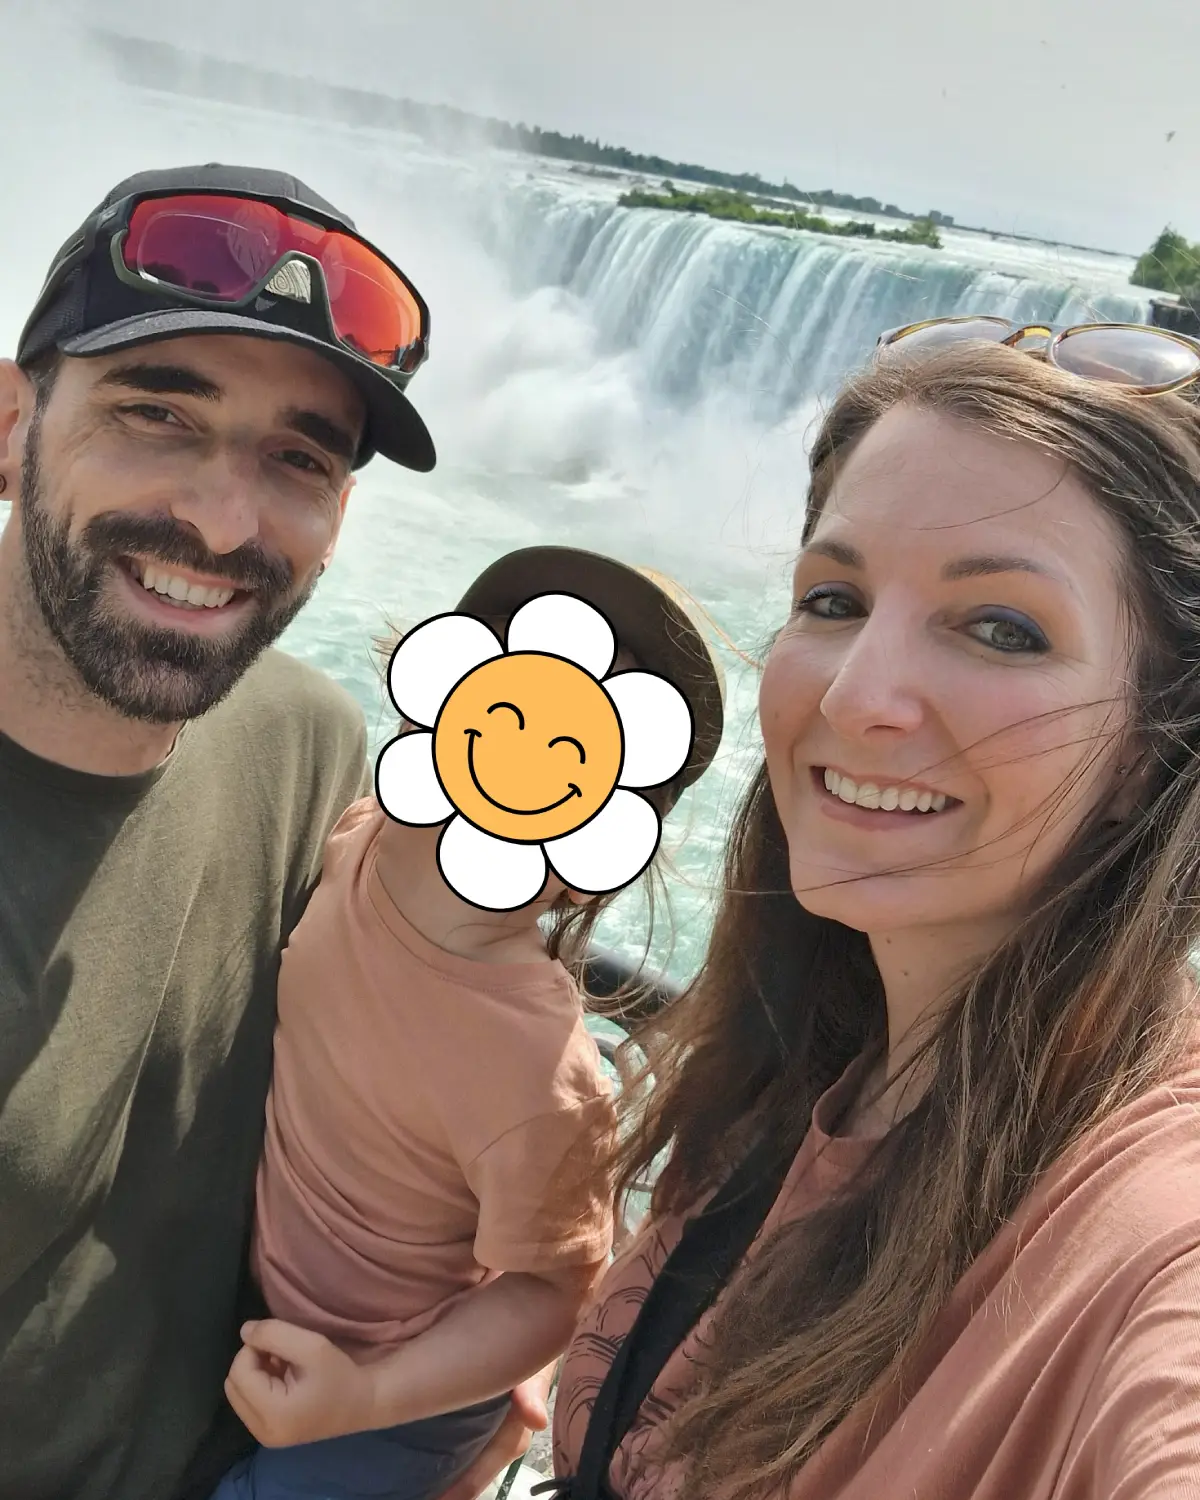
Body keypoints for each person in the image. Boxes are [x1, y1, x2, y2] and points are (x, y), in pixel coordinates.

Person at [514, 320, 1200, 1500]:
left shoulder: (1147, 1235)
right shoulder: (802, 1054)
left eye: (1000, 628)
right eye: (833, 599)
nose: (857, 691)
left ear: (1151, 745)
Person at [0, 161, 439, 1500]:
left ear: (340, 514)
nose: (222, 519)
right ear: (9, 420)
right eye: (154, 415)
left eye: (296, 459)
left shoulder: (305, 741)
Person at [205, 545, 725, 1500]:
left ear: (595, 849)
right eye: (501, 713)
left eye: (565, 763)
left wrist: (364, 1398)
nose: (516, 761)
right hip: (268, 1299)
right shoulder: (359, 837)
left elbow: (551, 1292)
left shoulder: (537, 1070)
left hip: (402, 1388)